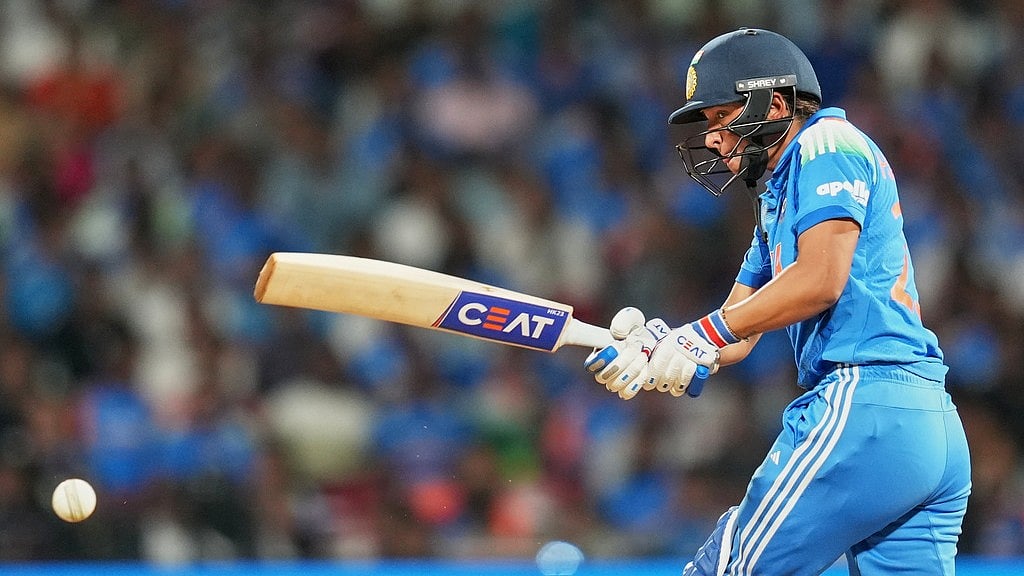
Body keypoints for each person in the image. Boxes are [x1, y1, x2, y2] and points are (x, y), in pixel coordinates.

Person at [584, 28, 971, 576]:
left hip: (864, 406)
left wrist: (701, 337)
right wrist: (662, 348)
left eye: (721, 117)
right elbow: (737, 332)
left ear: (778, 103)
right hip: (924, 421)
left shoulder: (825, 142)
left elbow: (820, 281)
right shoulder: (779, 198)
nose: (714, 140)